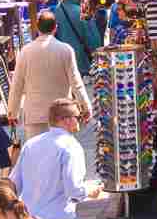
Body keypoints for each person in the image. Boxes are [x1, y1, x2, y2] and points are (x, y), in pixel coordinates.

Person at [8, 13, 94, 141]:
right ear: (55, 28)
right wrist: (86, 107)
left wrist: (12, 112)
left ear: (37, 28)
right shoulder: (65, 50)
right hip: (61, 114)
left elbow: (17, 85)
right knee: (61, 154)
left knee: (39, 155)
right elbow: (76, 83)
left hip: (34, 115)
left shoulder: (25, 52)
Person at [52, 0, 106, 74]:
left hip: (61, 63)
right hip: (81, 63)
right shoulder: (82, 12)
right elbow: (93, 39)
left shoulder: (54, 12)